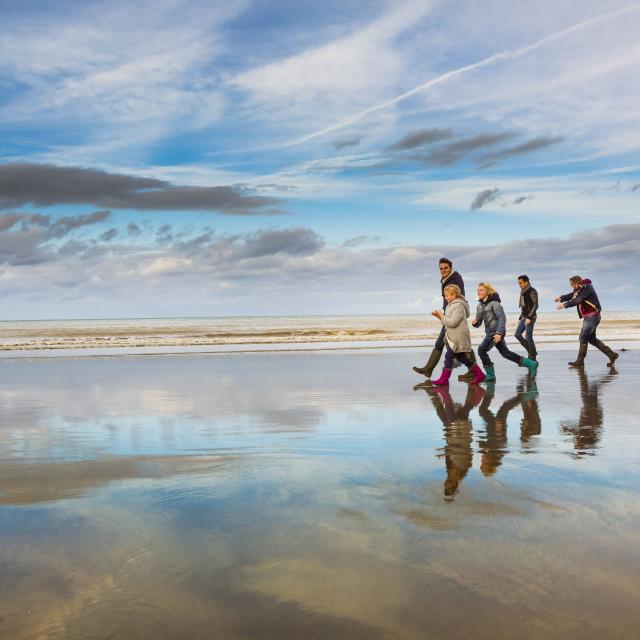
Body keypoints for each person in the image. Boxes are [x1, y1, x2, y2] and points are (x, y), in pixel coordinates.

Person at [471, 282, 538, 381]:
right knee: (505, 353)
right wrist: (475, 323)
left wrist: (499, 333)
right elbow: (479, 322)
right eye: (478, 290)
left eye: (481, 290)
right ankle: (531, 364)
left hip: (497, 333)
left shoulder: (495, 303)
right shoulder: (479, 306)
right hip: (490, 333)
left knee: (481, 350)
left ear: (488, 291)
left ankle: (490, 375)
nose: (479, 292)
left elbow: (502, 318)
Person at [413, 257, 466, 379]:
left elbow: (459, 295)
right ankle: (428, 369)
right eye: (441, 268)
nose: (443, 270)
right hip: (448, 312)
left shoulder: (455, 278)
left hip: (453, 314)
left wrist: (451, 310)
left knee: (454, 343)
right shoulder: (446, 279)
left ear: (451, 268)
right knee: (448, 342)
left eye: (446, 268)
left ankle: (429, 369)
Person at [429, 284, 486, 386]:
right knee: (462, 358)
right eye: (445, 296)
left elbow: (453, 323)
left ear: (454, 295)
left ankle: (444, 379)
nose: (446, 298)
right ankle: (480, 374)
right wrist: (439, 317)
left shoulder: (459, 306)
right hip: (452, 336)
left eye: (448, 295)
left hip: (458, 337)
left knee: (449, 356)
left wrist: (441, 315)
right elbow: (447, 323)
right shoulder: (450, 306)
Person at [555, 276, 618, 367]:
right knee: (592, 339)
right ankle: (612, 355)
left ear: (577, 283)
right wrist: (561, 298)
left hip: (592, 317)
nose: (572, 286)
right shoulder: (580, 289)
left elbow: (578, 299)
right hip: (590, 317)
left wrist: (565, 305)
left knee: (583, 337)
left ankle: (580, 361)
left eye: (572, 284)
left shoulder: (587, 288)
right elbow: (572, 295)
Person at [514, 275, 538, 361]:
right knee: (517, 335)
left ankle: (532, 356)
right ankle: (532, 352)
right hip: (524, 317)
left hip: (530, 317)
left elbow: (535, 305)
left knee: (528, 336)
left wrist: (529, 317)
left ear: (526, 282)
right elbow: (524, 306)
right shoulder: (523, 291)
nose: (519, 284)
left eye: (520, 283)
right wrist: (521, 315)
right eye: (518, 283)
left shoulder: (532, 291)